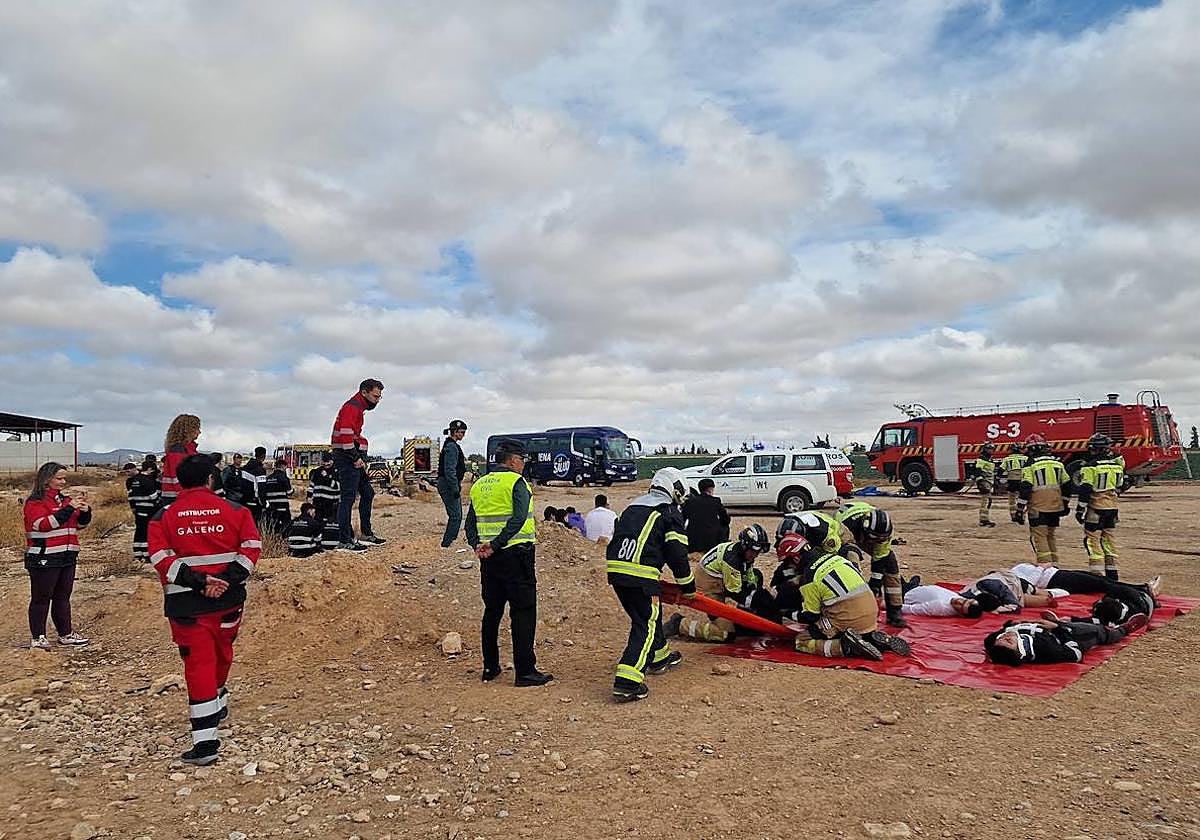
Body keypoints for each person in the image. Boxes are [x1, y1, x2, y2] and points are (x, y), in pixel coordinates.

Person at [147, 454, 260, 765]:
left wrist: (198, 582)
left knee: (198, 666)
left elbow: (159, 558)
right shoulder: (236, 510)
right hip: (228, 602)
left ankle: (205, 743)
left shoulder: (163, 516)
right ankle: (217, 699)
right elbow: (251, 548)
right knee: (223, 652)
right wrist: (224, 580)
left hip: (187, 606)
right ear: (212, 479)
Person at [464, 439, 552, 687]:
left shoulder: (480, 484)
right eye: (522, 459)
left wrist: (478, 546)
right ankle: (525, 672)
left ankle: (490, 667)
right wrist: (495, 544)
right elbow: (518, 519)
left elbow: (470, 521)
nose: (523, 464)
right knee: (523, 611)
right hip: (516, 555)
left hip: (489, 560)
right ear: (513, 460)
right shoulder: (517, 482)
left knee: (492, 611)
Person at [606, 468, 696, 703]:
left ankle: (659, 657)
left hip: (617, 572)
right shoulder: (667, 511)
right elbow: (677, 553)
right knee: (644, 623)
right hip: (641, 575)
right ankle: (627, 682)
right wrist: (687, 586)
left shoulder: (634, 506)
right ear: (674, 489)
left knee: (649, 616)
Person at [778, 534, 910, 661]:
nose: (789, 567)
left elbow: (810, 616)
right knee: (832, 609)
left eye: (787, 562)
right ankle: (871, 638)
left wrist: (786, 614)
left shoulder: (809, 579)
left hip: (848, 618)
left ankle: (846, 647)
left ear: (795, 558)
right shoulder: (836, 558)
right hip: (871, 614)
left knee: (802, 640)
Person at [24, 462, 92, 649]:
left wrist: (85, 512)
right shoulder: (35, 502)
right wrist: (69, 508)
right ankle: (38, 637)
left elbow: (79, 525)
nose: (64, 481)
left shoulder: (64, 500)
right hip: (43, 557)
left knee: (63, 597)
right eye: (59, 478)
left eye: (64, 478)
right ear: (46, 479)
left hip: (67, 555)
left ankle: (66, 634)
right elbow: (43, 524)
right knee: (41, 597)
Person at [668, 524, 773, 643]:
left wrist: (755, 591)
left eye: (758, 552)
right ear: (745, 546)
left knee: (757, 577)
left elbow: (749, 579)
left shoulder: (744, 555)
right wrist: (758, 603)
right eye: (754, 551)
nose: (755, 555)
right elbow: (735, 593)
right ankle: (680, 624)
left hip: (720, 583)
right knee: (725, 634)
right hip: (709, 589)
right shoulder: (732, 560)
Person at [330, 378, 385, 551]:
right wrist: (355, 457)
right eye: (376, 396)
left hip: (352, 454)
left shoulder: (358, 409)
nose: (377, 400)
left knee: (367, 493)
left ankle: (366, 533)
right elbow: (345, 435)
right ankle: (345, 540)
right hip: (347, 456)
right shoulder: (352, 407)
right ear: (364, 393)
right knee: (347, 498)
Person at [836, 502, 906, 628]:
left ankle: (895, 611)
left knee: (890, 564)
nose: (877, 542)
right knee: (851, 561)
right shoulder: (847, 526)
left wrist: (875, 584)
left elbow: (879, 559)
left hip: (866, 531)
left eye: (881, 539)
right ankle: (852, 608)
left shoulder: (885, 532)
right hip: (846, 536)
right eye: (874, 538)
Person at [1009, 564, 1159, 622]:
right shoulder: (1014, 579)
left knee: (1102, 581)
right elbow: (1033, 582)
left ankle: (1141, 588)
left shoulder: (1012, 574)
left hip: (1057, 574)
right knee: (1102, 584)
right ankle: (1143, 589)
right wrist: (1042, 568)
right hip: (1055, 578)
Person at [984, 613, 1148, 667]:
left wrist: (1011, 624)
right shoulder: (1046, 649)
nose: (1007, 636)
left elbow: (993, 638)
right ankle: (1124, 628)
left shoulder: (995, 642)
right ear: (1020, 650)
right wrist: (1058, 629)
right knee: (1098, 633)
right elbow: (1075, 654)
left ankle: (1089, 619)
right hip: (1065, 636)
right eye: (1009, 641)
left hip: (1042, 627)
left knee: (1071, 622)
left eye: (1003, 638)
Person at [1014, 434, 1074, 564]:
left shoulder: (1030, 465)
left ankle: (1045, 570)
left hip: (1037, 508)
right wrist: (1064, 502)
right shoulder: (1058, 463)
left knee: (1040, 538)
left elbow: (1026, 487)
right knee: (1050, 537)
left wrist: (1019, 509)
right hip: (1056, 507)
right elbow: (1067, 484)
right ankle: (1055, 567)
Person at [1076, 433, 1124, 580]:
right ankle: (1112, 572)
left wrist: (1080, 509)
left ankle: (1096, 574)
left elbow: (1086, 490)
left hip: (1096, 508)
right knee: (1108, 540)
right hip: (1112, 509)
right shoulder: (1117, 467)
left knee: (1092, 540)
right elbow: (1120, 486)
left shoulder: (1090, 468)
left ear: (1093, 449)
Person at [957, 569, 1059, 614]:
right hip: (1005, 588)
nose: (958, 603)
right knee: (1026, 599)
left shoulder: (995, 586)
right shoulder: (965, 595)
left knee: (1044, 598)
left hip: (1013, 581)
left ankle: (1055, 593)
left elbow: (1015, 607)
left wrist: (998, 610)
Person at [438, 419, 468, 548]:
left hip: (448, 483)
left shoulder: (451, 445)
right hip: (448, 484)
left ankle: (450, 541)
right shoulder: (451, 447)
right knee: (456, 516)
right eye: (462, 432)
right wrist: (455, 488)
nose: (463, 435)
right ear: (455, 432)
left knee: (456, 515)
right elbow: (450, 470)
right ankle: (448, 543)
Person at [160, 414, 201, 507]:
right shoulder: (178, 451)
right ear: (188, 430)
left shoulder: (188, 450)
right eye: (197, 428)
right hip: (178, 500)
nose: (199, 432)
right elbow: (178, 479)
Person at [681, 478, 730, 556]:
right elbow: (726, 520)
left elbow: (682, 519)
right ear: (711, 489)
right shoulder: (716, 501)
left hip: (693, 542)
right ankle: (722, 544)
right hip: (712, 543)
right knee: (725, 525)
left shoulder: (689, 502)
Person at [126, 458, 160, 563]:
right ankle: (147, 555)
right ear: (149, 469)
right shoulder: (147, 480)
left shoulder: (134, 480)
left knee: (139, 531)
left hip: (139, 510)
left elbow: (130, 496)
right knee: (147, 532)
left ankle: (138, 554)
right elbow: (153, 496)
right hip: (149, 510)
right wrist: (160, 504)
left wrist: (134, 508)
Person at [307, 452, 341, 551]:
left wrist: (327, 478)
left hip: (331, 503)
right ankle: (318, 544)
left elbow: (338, 487)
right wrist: (309, 497)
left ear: (332, 461)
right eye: (324, 462)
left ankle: (332, 542)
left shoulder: (336, 471)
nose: (326, 464)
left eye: (328, 462)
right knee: (317, 523)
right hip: (318, 503)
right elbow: (311, 486)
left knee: (331, 524)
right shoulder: (317, 471)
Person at [901, 584, 983, 618]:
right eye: (964, 601)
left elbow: (911, 610)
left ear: (960, 614)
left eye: (960, 607)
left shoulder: (940, 607)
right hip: (917, 587)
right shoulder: (959, 598)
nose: (959, 602)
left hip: (905, 593)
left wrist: (891, 605)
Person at [261, 458, 293, 532]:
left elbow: (264, 492)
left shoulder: (268, 478)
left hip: (271, 507)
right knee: (285, 526)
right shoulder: (284, 478)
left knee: (272, 525)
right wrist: (293, 490)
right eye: (286, 467)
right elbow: (289, 492)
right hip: (282, 506)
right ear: (283, 466)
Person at [999, 442, 1028, 521]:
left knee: (1012, 500)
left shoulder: (1007, 459)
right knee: (1023, 499)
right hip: (1022, 481)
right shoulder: (1026, 458)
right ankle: (1021, 515)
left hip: (1011, 481)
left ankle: (1013, 516)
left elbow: (1001, 470)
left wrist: (998, 479)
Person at [239, 447, 268, 525]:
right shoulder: (260, 470)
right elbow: (261, 489)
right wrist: (264, 504)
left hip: (244, 501)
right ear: (264, 456)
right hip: (255, 503)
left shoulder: (244, 469)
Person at [974, 443, 998, 528]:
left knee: (988, 501)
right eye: (989, 449)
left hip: (988, 482)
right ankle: (983, 520)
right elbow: (977, 471)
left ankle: (984, 519)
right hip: (984, 482)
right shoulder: (981, 459)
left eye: (992, 449)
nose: (991, 451)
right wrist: (981, 482)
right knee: (986, 501)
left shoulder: (989, 459)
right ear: (985, 449)